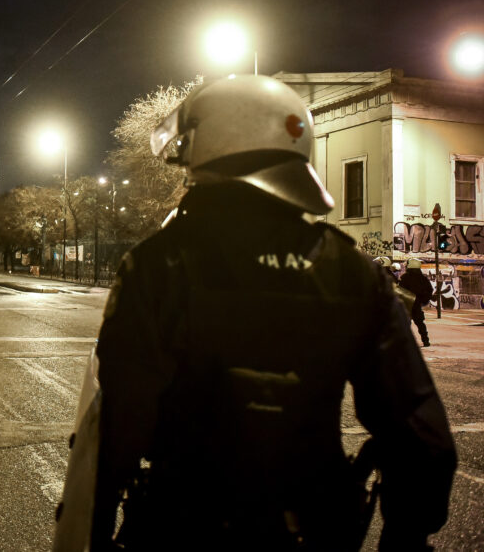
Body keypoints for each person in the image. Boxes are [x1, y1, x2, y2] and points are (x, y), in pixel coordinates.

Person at [54, 75, 455, 551]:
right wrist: (406, 538)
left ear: (212, 151)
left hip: (181, 528)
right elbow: (420, 433)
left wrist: (94, 529)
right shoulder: (352, 271)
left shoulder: (159, 263)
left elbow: (117, 425)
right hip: (313, 529)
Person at [399, 258, 434, 347]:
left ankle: (406, 342)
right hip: (417, 304)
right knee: (420, 323)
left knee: (406, 324)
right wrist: (423, 301)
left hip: (407, 304)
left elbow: (401, 290)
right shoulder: (423, 278)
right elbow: (430, 290)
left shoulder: (405, 277)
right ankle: (425, 341)